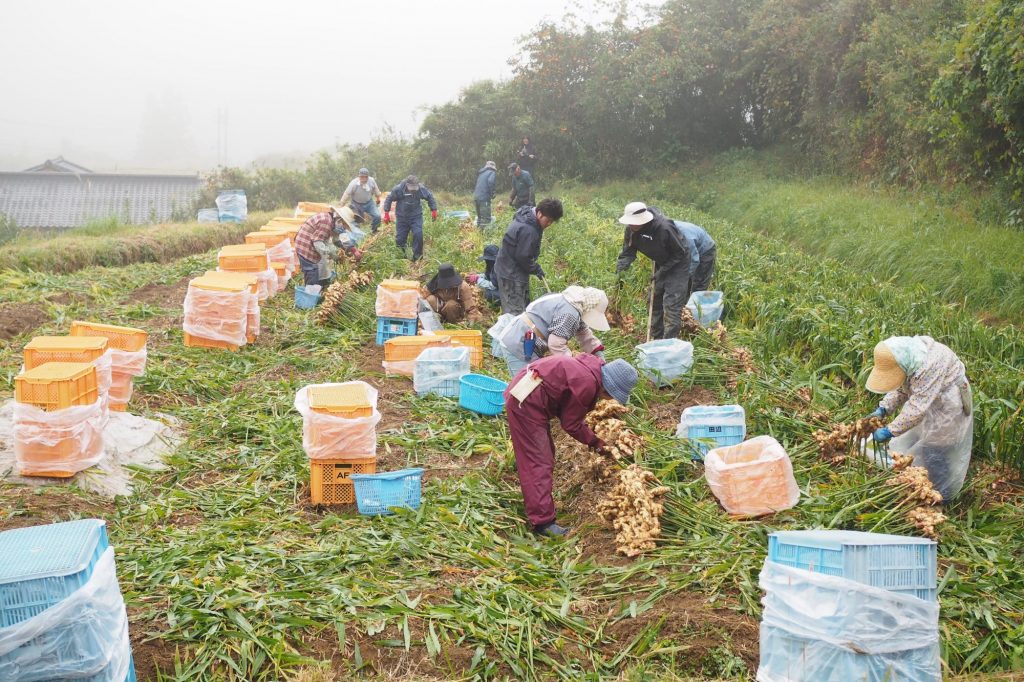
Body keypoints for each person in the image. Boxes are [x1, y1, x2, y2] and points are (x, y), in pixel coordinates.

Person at [504, 355, 639, 536]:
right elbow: (571, 425)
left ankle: (537, 503)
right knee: (538, 461)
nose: (608, 399)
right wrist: (597, 443)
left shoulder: (590, 368)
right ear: (609, 387)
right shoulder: (587, 383)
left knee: (543, 456)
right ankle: (543, 523)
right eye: (612, 395)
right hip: (526, 403)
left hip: (527, 390)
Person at [865, 336, 973, 500]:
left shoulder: (929, 366)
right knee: (920, 436)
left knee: (936, 446)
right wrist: (884, 408)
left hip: (948, 402)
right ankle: (919, 475)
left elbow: (916, 409)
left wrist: (890, 431)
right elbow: (900, 388)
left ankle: (942, 494)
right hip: (930, 397)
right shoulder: (908, 358)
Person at [614, 201, 692, 340]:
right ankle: (655, 339)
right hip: (661, 261)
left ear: (643, 220)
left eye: (633, 222)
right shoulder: (631, 230)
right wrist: (620, 274)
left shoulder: (664, 228)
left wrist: (661, 272)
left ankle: (668, 345)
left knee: (671, 305)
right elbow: (628, 253)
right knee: (654, 300)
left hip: (678, 263)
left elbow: (679, 253)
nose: (631, 225)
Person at [498, 286, 611, 374]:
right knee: (524, 388)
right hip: (519, 343)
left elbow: (585, 335)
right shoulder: (570, 313)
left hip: (520, 337)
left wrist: (600, 359)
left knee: (531, 385)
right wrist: (572, 364)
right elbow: (556, 344)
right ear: (590, 308)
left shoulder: (572, 304)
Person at [494, 198, 563, 315]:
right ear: (540, 213)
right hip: (511, 273)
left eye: (552, 221)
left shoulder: (526, 216)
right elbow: (523, 256)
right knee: (514, 312)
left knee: (523, 306)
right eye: (548, 220)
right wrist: (535, 268)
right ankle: (512, 332)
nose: (549, 224)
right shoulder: (528, 229)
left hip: (510, 267)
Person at [295, 206, 361, 286]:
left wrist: (353, 250)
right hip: (305, 246)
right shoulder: (326, 221)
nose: (343, 227)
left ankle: (321, 287)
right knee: (313, 272)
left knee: (323, 271)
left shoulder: (334, 223)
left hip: (314, 243)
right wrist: (333, 255)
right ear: (339, 219)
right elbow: (318, 243)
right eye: (343, 224)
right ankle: (310, 293)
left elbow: (338, 240)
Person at [382, 175, 438, 262]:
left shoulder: (420, 189)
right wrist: (386, 213)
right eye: (411, 187)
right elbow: (389, 199)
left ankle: (417, 258)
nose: (413, 190)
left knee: (418, 234)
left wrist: (433, 210)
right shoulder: (398, 189)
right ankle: (402, 259)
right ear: (407, 184)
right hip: (402, 218)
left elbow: (430, 197)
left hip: (416, 216)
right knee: (400, 239)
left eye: (415, 188)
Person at [673, 220, 717, 297]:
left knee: (699, 282)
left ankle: (696, 305)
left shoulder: (686, 238)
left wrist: (682, 277)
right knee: (685, 280)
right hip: (692, 244)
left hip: (705, 249)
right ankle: (685, 301)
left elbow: (694, 260)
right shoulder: (667, 230)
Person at [340, 168, 382, 233]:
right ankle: (357, 235)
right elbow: (346, 194)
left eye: (365, 177)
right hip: (356, 204)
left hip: (369, 203)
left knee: (377, 216)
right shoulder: (353, 183)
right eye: (362, 177)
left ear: (368, 176)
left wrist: (378, 198)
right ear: (359, 176)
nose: (364, 179)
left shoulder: (371, 181)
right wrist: (341, 205)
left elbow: (376, 190)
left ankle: (374, 230)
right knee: (356, 221)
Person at [473, 161, 497, 228]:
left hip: (476, 197)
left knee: (480, 218)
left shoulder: (481, 173)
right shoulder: (492, 172)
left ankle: (477, 235)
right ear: (492, 167)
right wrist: (492, 193)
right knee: (485, 220)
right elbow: (490, 182)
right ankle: (484, 237)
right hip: (484, 198)